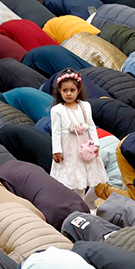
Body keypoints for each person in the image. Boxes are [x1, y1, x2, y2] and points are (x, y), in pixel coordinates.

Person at [51, 69, 108, 199]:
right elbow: (56, 132)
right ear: (59, 91)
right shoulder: (57, 110)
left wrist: (96, 144)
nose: (69, 94)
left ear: (78, 90)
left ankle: (81, 201)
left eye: (72, 90)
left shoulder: (85, 106)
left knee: (83, 176)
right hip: (68, 147)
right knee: (68, 176)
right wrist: (57, 150)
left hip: (84, 145)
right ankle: (68, 202)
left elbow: (91, 126)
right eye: (65, 90)